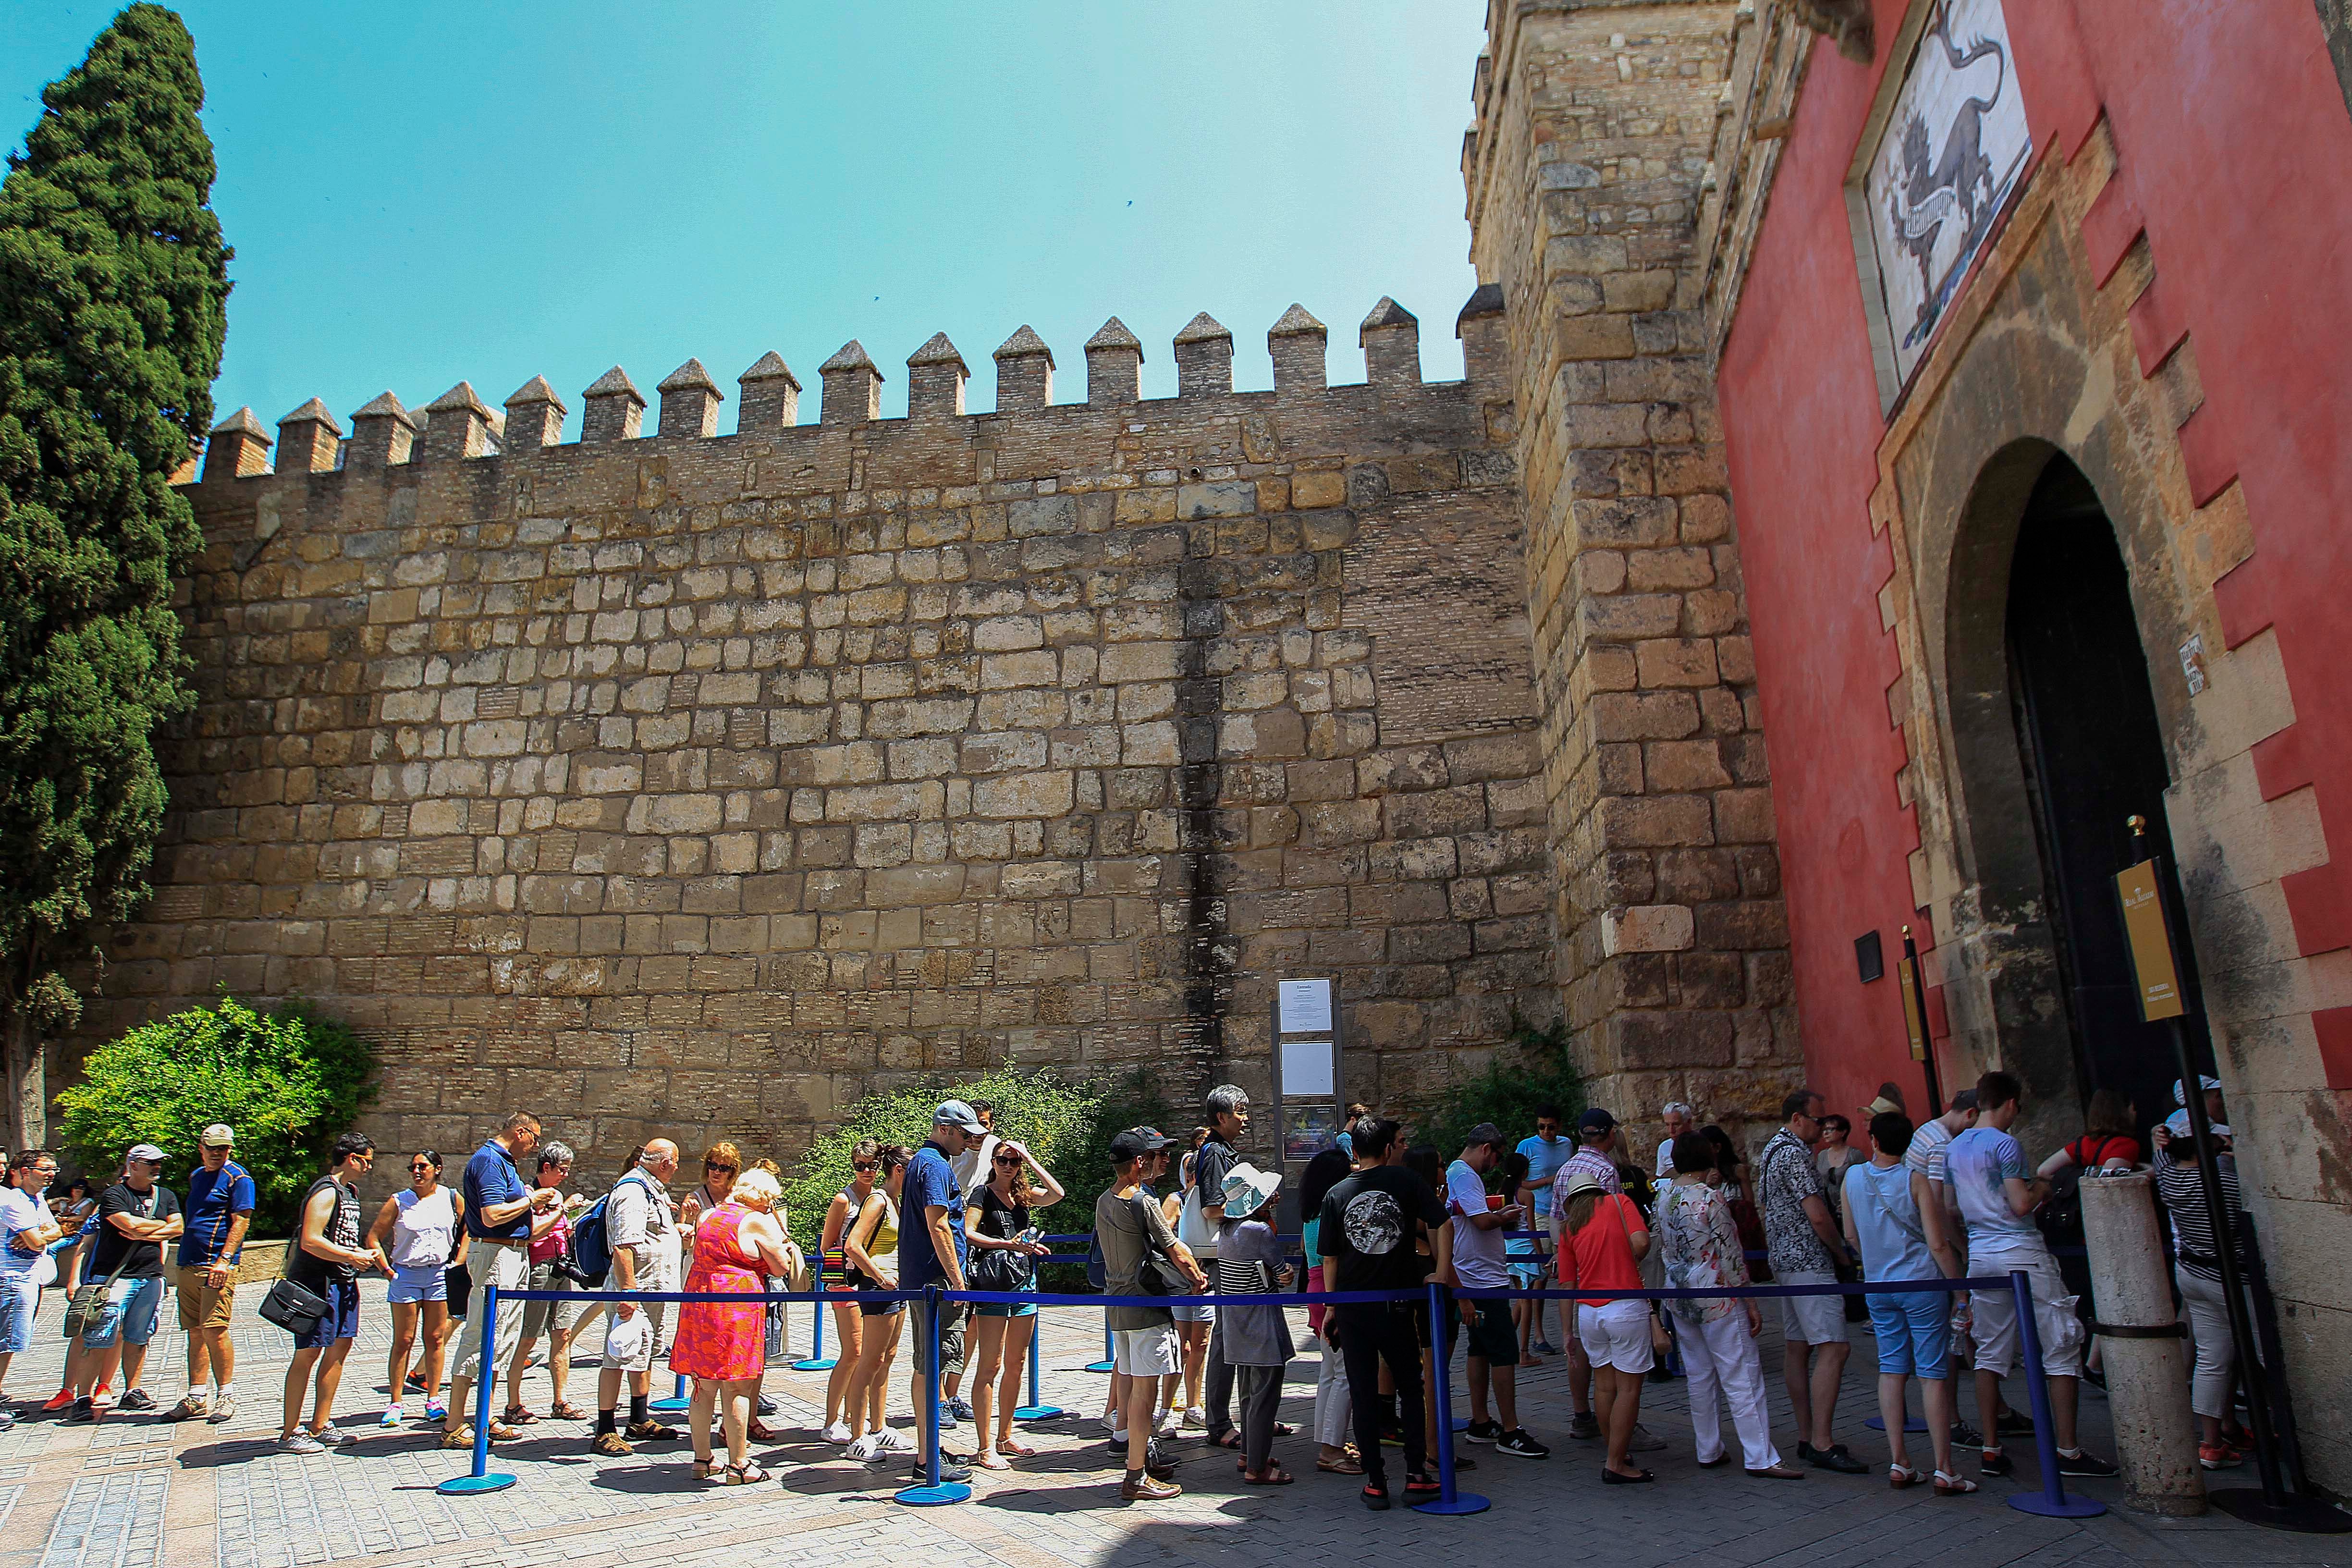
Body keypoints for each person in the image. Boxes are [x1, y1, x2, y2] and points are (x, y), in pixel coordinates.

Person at [1949, 1071, 2116, 1479]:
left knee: (1989, 1351)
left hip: (1982, 1253)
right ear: (2010, 1102)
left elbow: (1951, 1209)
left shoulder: (1954, 1148)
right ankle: (2068, 1450)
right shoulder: (2006, 1144)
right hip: (2020, 1250)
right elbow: (2021, 1204)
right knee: (2061, 1344)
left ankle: (1990, 1448)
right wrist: (2043, 1187)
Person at [1319, 1115, 1450, 1511]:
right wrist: (1441, 1272)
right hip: (1397, 1303)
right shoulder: (1407, 1182)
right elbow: (1443, 1222)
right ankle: (1415, 1474)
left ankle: (1376, 1480)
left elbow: (1329, 1258)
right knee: (1411, 1387)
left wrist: (1330, 1306)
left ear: (1355, 1151)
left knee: (1362, 1391)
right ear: (1389, 1148)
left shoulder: (1337, 1194)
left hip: (1354, 1306)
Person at [1843, 1112, 1975, 1494]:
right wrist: (1961, 1289)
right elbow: (1937, 1242)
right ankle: (1944, 1467)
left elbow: (1851, 1235)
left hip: (1878, 1284)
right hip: (1920, 1283)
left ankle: (1899, 1461)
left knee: (1891, 1368)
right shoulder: (1914, 1179)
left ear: (1874, 1139)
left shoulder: (1853, 1178)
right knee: (1932, 1372)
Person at [1656, 1133, 1800, 1477]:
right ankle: (1760, 1455)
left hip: (1679, 1294)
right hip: (1716, 1293)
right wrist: (1749, 1300)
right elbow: (1731, 1254)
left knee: (1699, 1375)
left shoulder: (1663, 1195)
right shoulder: (1710, 1198)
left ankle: (1708, 1447)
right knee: (1742, 1376)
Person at [1758, 1089, 1866, 1473]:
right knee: (1834, 1348)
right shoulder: (1796, 1155)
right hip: (1808, 1260)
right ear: (1798, 1119)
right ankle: (1822, 1440)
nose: (1824, 1127)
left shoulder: (1772, 1150)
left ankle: (1808, 1436)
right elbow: (1818, 1215)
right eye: (1818, 1120)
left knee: (1797, 1347)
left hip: (1785, 1260)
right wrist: (1841, 1254)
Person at [443, 1111, 562, 1450]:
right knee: (481, 1335)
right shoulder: (489, 1161)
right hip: (495, 1255)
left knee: (503, 1340)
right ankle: (454, 1423)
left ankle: (485, 1416)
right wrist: (531, 1200)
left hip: (513, 1253)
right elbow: (491, 1215)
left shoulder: (505, 1162)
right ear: (520, 1131)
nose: (535, 1146)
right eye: (535, 1138)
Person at [1097, 1126, 1203, 1502]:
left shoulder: (1104, 1200)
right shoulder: (1142, 1201)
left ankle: (1137, 1458)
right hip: (1146, 1306)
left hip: (1119, 1304)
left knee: (1134, 1385)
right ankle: (1136, 1475)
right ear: (1139, 1162)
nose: (1162, 1160)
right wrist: (1197, 1277)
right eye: (1154, 1155)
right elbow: (1174, 1248)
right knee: (1145, 1393)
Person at [672, 1164, 794, 1483]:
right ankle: (739, 1464)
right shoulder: (756, 1220)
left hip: (700, 1302)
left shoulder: (709, 1215)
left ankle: (702, 1460)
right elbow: (781, 1268)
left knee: (703, 1385)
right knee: (736, 1386)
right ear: (764, 1197)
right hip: (735, 1307)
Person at [2151, 1114, 2252, 1469]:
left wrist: (2158, 1139)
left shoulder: (2169, 1177)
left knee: (2212, 1357)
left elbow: (2162, 1157)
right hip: (2229, 1278)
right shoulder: (2221, 1179)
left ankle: (2211, 1444)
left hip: (2192, 1272)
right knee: (2263, 1355)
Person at [278, 1133, 390, 1453]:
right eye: (367, 1160)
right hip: (318, 1285)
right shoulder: (326, 1191)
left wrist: (356, 1255)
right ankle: (289, 1432)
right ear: (353, 1159)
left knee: (339, 1350)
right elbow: (311, 1240)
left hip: (343, 1283)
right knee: (308, 1354)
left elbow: (339, 1238)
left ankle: (320, 1423)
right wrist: (351, 1256)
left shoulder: (350, 1192)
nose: (369, 1167)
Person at [1446, 1124, 1546, 1458]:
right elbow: (1481, 1222)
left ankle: (1480, 1420)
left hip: (1477, 1273)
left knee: (1480, 1349)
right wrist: (1503, 1217)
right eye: (1497, 1156)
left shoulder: (1459, 1174)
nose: (1496, 1164)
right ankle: (1510, 1429)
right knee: (1503, 1353)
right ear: (1486, 1149)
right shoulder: (1464, 1174)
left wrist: (1497, 1214)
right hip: (1482, 1278)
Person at [70, 1143, 183, 1421]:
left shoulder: (166, 1196)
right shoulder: (114, 1195)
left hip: (151, 1277)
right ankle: (84, 1397)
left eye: (159, 1163)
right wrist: (156, 1229)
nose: (157, 1167)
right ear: (133, 1165)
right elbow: (127, 1226)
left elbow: (179, 1227)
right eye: (150, 1163)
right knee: (99, 1339)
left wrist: (141, 1230)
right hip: (114, 1279)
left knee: (139, 1337)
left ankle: (133, 1390)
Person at [965, 1139, 1061, 1469]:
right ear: (993, 1162)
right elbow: (969, 1232)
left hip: (1024, 1282)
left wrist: (1031, 1158)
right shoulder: (982, 1194)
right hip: (993, 1282)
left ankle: (1006, 1435)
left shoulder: (1022, 1196)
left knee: (1017, 1363)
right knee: (989, 1365)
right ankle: (984, 1445)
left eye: (1014, 1161)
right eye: (1003, 1160)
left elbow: (1057, 1194)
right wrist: (1006, 1243)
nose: (1008, 1166)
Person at [903, 1101, 982, 1485]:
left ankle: (929, 1447)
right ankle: (926, 1459)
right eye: (966, 1134)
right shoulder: (934, 1165)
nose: (970, 1142)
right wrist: (957, 1280)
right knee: (933, 1364)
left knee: (928, 1363)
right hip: (936, 1282)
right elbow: (939, 1227)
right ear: (946, 1129)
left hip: (926, 1279)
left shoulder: (924, 1161)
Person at [1559, 1165, 1652, 1481]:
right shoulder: (1620, 1203)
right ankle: (1616, 1463)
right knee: (1629, 1389)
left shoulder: (1569, 1228)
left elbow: (1567, 1284)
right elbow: (1642, 1244)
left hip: (1589, 1313)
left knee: (1604, 1386)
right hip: (1625, 1305)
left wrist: (1567, 1332)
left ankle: (1616, 1450)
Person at [592, 1139, 683, 1456]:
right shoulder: (633, 1191)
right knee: (618, 1356)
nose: (676, 1167)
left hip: (652, 1290)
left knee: (642, 1354)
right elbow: (623, 1245)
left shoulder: (652, 1189)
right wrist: (628, 1292)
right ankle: (605, 1429)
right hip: (635, 1291)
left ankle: (639, 1419)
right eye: (675, 1162)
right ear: (665, 1163)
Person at [368, 1148, 468, 1426]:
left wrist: (458, 1263)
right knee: (404, 1340)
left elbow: (468, 1229)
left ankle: (433, 1400)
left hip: (438, 1274)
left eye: (423, 1166)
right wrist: (387, 1270)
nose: (417, 1172)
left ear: (437, 1169)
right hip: (407, 1274)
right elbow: (374, 1237)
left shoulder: (450, 1197)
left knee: (436, 1338)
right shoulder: (399, 1201)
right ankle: (396, 1402)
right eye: (413, 1167)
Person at [1215, 1162, 1297, 1484]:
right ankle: (1257, 1467)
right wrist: (1285, 1274)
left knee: (1248, 1392)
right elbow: (1281, 1272)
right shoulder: (1259, 1231)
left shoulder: (1227, 1230)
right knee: (1265, 1396)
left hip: (1236, 1321)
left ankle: (1250, 1453)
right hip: (1262, 1322)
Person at [165, 1124, 252, 1425]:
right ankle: (196, 1396)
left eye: (224, 1148)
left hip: (215, 1264)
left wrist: (225, 1260)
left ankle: (226, 1394)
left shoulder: (239, 1178)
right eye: (213, 1148)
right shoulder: (197, 1176)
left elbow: (241, 1220)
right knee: (195, 1330)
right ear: (201, 1147)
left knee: (215, 1328)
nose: (218, 1154)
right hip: (189, 1262)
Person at [503, 1142, 592, 1423]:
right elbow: (532, 1232)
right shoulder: (528, 1195)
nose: (565, 1175)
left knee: (562, 1335)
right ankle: (513, 1403)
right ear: (546, 1168)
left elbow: (561, 1228)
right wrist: (563, 1209)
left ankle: (560, 1400)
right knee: (529, 1337)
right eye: (562, 1170)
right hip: (539, 1270)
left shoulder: (557, 1196)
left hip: (561, 1267)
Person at [1551, 1107, 1624, 1442]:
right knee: (1611, 1349)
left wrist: (1561, 1254)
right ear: (1609, 1134)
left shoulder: (1565, 1170)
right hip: (1600, 1267)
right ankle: (1620, 1417)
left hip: (1572, 1262)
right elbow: (1613, 1220)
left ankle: (1582, 1413)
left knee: (1576, 1342)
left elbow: (1556, 1220)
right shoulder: (1606, 1171)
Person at [843, 1145, 910, 1461]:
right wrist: (880, 1277)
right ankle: (857, 1435)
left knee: (887, 1358)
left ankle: (879, 1426)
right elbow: (852, 1245)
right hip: (878, 1287)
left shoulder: (896, 1201)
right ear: (899, 1170)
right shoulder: (878, 1200)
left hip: (897, 1286)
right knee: (869, 1360)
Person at [1193, 1084, 1249, 1450]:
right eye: (1240, 1112)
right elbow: (1212, 1209)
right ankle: (1219, 1422)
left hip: (1235, 1255)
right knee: (1226, 1342)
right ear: (1221, 1117)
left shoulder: (1224, 1151)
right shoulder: (1214, 1153)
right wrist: (1253, 1209)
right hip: (1223, 1259)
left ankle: (1252, 1412)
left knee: (1242, 1338)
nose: (1246, 1118)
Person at [1298, 1143, 1358, 1474]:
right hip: (1333, 1291)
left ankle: (1328, 1440)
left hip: (1317, 1288)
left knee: (1330, 1372)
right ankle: (1331, 1448)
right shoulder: (1332, 1211)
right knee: (1344, 1373)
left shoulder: (1312, 1213)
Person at [818, 1139, 880, 1443]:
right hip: (845, 1279)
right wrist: (844, 1270)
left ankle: (852, 1417)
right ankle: (831, 1420)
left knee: (870, 1352)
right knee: (853, 1351)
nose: (866, 1172)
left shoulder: (881, 1198)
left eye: (872, 1165)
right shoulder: (844, 1200)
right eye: (860, 1166)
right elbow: (827, 1242)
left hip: (872, 1278)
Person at [939, 1104, 997, 1424]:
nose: (977, 1136)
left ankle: (954, 1390)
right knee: (948, 1322)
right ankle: (940, 1397)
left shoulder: (994, 1147)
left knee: (971, 1325)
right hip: (953, 1232)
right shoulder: (950, 1152)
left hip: (978, 1238)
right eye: (973, 1129)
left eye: (985, 1126)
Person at [0, 1150, 61, 1424]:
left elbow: (56, 1231)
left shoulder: (35, 1199)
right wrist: (36, 1237)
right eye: (45, 1169)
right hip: (10, 1279)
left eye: (54, 1169)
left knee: (10, 1343)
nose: (51, 1174)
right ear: (25, 1172)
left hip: (26, 1277)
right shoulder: (12, 1200)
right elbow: (38, 1242)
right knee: (5, 1342)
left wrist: (37, 1236)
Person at [1166, 1126, 1215, 1434]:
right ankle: (1167, 1407)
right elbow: (1162, 1232)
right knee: (1180, 1346)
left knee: (1202, 1343)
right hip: (1183, 1281)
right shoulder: (1177, 1199)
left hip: (1208, 1277)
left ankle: (1194, 1404)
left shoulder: (1211, 1203)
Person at [1517, 1106, 1572, 1353]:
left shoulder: (1567, 1145)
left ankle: (1568, 1332)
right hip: (1539, 1211)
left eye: (1550, 1127)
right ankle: (1538, 1334)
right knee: (1541, 1275)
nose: (1546, 1132)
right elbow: (1519, 1182)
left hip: (1564, 1211)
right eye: (1541, 1127)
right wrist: (1549, 1180)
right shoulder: (1527, 1146)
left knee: (1566, 1271)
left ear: (1559, 1126)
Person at [1494, 1150, 1544, 1363]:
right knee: (1527, 1301)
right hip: (1525, 1248)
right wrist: (1542, 1255)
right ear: (1525, 1172)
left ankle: (1505, 1342)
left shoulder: (1500, 1192)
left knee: (1521, 1299)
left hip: (1508, 1247)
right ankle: (1523, 1352)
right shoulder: (1526, 1195)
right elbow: (1532, 1228)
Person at [1654, 1101, 1695, 1179]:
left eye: (1676, 1125)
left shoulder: (1702, 1144)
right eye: (1667, 1125)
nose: (1671, 1130)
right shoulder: (1664, 1147)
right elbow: (1661, 1177)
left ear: (1689, 1122)